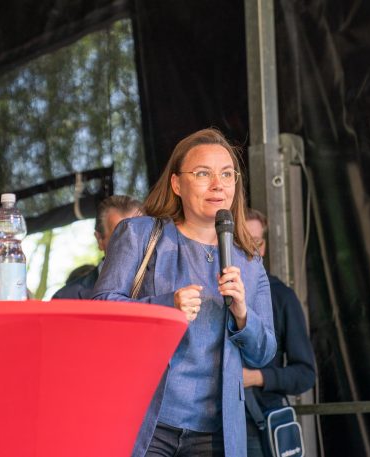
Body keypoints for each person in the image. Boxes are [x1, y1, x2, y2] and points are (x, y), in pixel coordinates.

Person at [93, 128, 277, 456]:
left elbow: (264, 353)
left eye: (226, 174)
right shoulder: (139, 235)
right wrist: (166, 307)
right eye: (203, 173)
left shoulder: (249, 261)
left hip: (215, 433)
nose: (218, 185)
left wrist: (242, 313)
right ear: (177, 184)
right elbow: (102, 312)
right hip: (146, 423)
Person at [242, 209, 316, 457]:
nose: (250, 248)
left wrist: (256, 378)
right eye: (241, 239)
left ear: (263, 248)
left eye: (257, 242)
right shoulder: (210, 292)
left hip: (259, 423)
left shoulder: (282, 297)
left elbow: (305, 375)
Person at [52, 194, 142, 299]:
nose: (134, 243)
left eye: (141, 232)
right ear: (100, 240)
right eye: (121, 235)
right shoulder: (66, 299)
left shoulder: (164, 290)